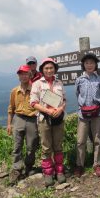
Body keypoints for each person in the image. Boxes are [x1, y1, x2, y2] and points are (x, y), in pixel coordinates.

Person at [30, 58, 66, 187]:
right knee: (46, 147)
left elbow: (64, 100)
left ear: (55, 69)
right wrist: (47, 110)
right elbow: (33, 103)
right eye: (46, 68)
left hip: (58, 118)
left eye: (51, 68)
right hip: (44, 118)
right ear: (42, 70)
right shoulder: (37, 84)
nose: (49, 70)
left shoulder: (59, 83)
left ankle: (60, 171)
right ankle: (48, 172)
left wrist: (60, 109)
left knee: (58, 145)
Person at [74, 53, 100, 178]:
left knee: (98, 140)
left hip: (98, 113)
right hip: (83, 113)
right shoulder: (79, 80)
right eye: (87, 63)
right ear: (83, 65)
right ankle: (80, 165)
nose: (89, 65)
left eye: (92, 63)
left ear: (95, 65)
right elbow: (77, 94)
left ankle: (97, 164)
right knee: (80, 140)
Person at [7, 65, 39, 185]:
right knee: (17, 146)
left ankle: (29, 166)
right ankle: (16, 169)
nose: (23, 76)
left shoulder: (35, 90)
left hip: (32, 119)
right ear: (18, 76)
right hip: (18, 118)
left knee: (32, 146)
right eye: (21, 74)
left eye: (26, 73)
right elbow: (11, 108)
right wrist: (9, 124)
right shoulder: (14, 91)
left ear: (30, 75)